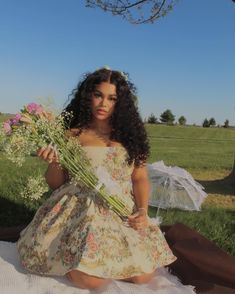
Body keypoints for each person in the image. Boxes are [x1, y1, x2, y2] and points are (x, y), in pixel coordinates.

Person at [17, 68, 177, 289]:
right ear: (88, 96)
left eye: (112, 98)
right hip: (81, 208)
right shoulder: (72, 134)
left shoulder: (132, 136)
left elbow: (139, 178)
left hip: (119, 209)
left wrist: (142, 211)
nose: (104, 103)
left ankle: (108, 259)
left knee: (143, 277)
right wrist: (54, 161)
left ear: (121, 103)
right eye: (98, 95)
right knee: (90, 280)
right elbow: (56, 184)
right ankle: (73, 256)